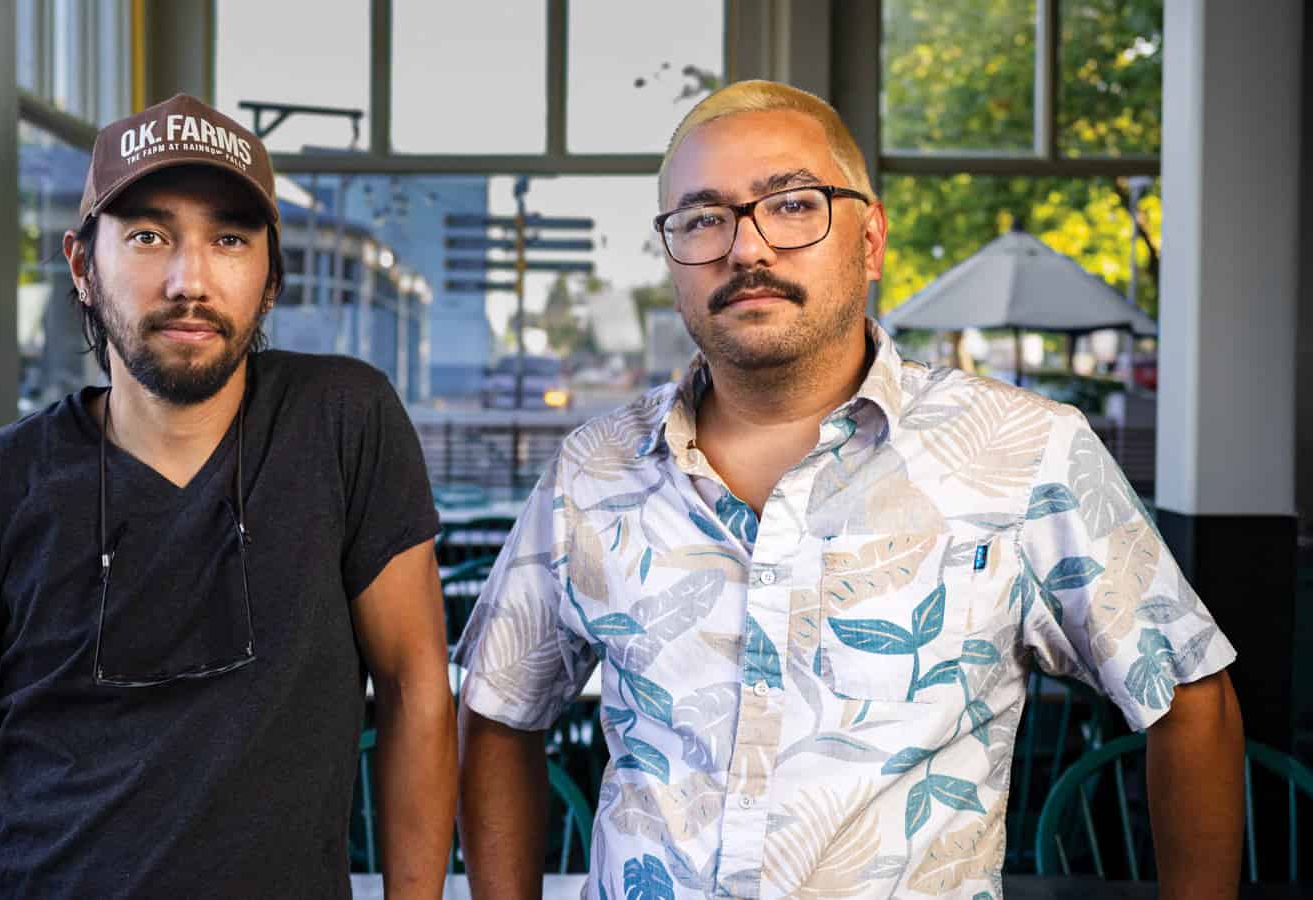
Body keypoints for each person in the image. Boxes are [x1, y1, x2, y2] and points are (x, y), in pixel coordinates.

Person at [455, 80, 1244, 900]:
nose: (746, 248)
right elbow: (498, 713)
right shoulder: (594, 469)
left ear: (869, 242)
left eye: (792, 205)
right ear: (673, 257)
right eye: (703, 218)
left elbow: (1192, 701)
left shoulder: (1028, 452)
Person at [0, 94, 455, 899]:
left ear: (270, 275)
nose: (191, 279)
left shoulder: (343, 422)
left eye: (229, 239)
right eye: (149, 237)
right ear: (83, 267)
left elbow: (413, 688)